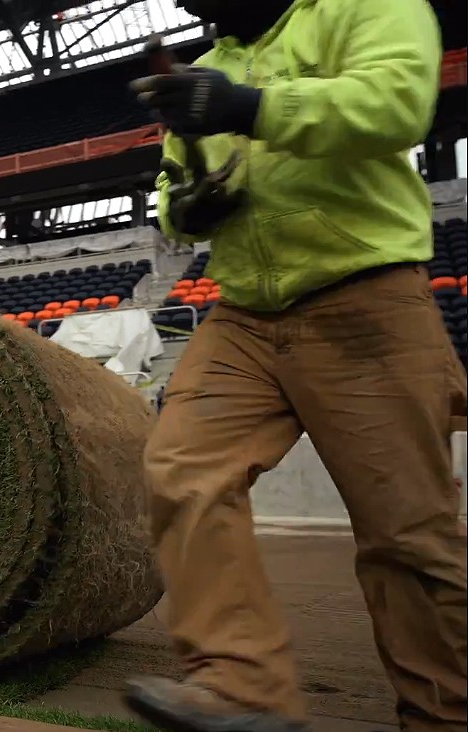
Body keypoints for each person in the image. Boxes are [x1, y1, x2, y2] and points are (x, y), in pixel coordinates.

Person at [124, 1, 467, 732]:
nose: (187, 3)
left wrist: (248, 106)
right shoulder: (207, 71)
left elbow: (399, 104)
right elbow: (170, 189)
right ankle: (242, 686)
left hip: (366, 295)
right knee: (182, 468)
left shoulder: (368, 6)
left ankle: (443, 718)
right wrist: (188, 206)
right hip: (246, 311)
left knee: (407, 535)